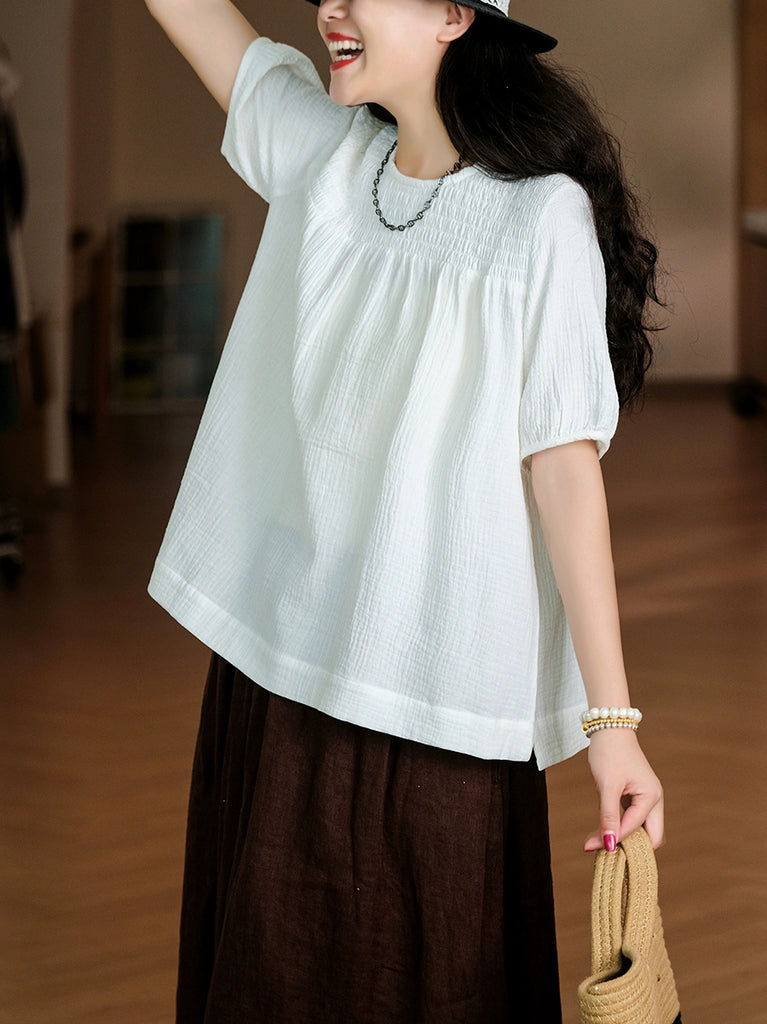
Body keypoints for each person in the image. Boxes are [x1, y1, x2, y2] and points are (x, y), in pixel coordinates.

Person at [145, 1, 665, 1021]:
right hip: (281, 663)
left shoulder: (539, 216)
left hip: (432, 691)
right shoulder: (327, 156)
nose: (329, 8)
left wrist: (611, 725)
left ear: (452, 17)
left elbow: (563, 471)